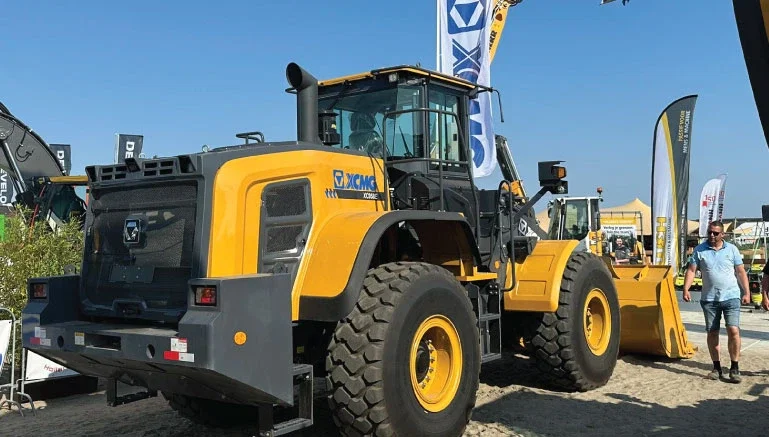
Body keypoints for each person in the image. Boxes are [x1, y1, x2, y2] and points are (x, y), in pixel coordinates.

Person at [683, 221, 751, 383]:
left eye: (715, 233)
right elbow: (692, 270)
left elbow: (740, 272)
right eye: (710, 232)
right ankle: (716, 367)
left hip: (731, 297)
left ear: (722, 235)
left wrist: (747, 292)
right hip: (709, 299)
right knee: (712, 332)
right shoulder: (700, 250)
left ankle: (735, 367)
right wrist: (686, 288)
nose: (712, 235)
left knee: (733, 330)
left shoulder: (732, 249)